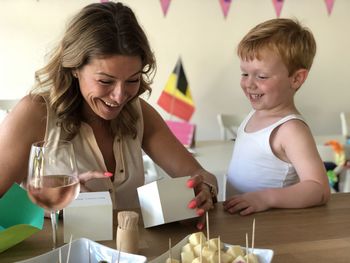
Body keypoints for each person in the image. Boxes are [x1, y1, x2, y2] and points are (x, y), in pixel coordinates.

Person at [0, 2, 217, 229]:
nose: (119, 96)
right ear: (74, 67)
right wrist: (52, 203)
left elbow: (201, 175)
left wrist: (205, 190)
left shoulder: (138, 112)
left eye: (132, 80)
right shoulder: (34, 113)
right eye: (105, 81)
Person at [224, 18, 330, 216]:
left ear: (296, 78)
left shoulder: (291, 130)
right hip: (241, 224)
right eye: (244, 74)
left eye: (261, 76)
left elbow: (319, 189)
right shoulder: (255, 114)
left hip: (268, 228)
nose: (249, 84)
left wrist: (264, 198)